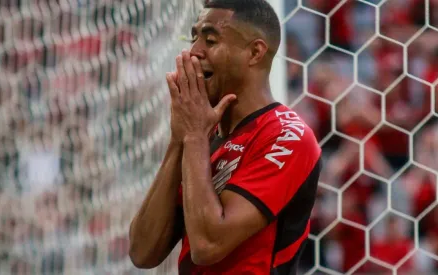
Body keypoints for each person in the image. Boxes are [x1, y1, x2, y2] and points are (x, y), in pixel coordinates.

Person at [128, 0, 322, 273]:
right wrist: (178, 141)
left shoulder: (287, 135)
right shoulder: (203, 138)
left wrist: (194, 136)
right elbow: (142, 252)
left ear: (255, 52)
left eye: (210, 39)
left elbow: (208, 245)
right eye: (194, 37)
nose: (194, 51)